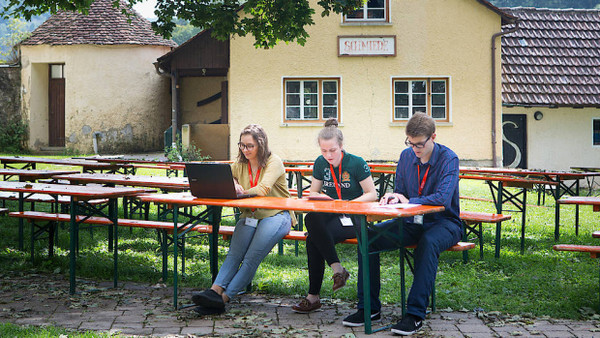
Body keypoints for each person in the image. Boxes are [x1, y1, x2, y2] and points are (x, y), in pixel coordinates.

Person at [342, 112, 462, 336]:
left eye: (419, 144)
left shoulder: (449, 159)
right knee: (368, 239)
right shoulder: (406, 157)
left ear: (433, 137)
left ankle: (415, 314)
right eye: (410, 142)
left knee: (428, 242)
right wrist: (394, 197)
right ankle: (368, 308)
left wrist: (409, 201)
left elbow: (443, 199)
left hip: (444, 223)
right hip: (410, 222)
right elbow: (401, 192)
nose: (414, 148)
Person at [191, 124, 295, 315]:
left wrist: (239, 192)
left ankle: (223, 299)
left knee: (250, 258)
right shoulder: (239, 164)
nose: (245, 150)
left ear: (261, 145)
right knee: (234, 254)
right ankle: (214, 292)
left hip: (277, 214)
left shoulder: (274, 161)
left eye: (250, 146)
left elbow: (262, 190)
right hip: (251, 215)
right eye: (242, 145)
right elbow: (223, 179)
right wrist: (233, 183)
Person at [291, 118, 377, 314]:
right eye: (323, 151)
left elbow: (372, 194)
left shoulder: (356, 162)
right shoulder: (320, 163)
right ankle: (337, 270)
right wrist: (322, 197)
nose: (328, 155)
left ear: (341, 146)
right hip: (331, 214)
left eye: (332, 150)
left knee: (313, 238)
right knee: (311, 219)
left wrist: (347, 204)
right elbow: (313, 193)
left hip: (354, 215)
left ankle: (313, 297)